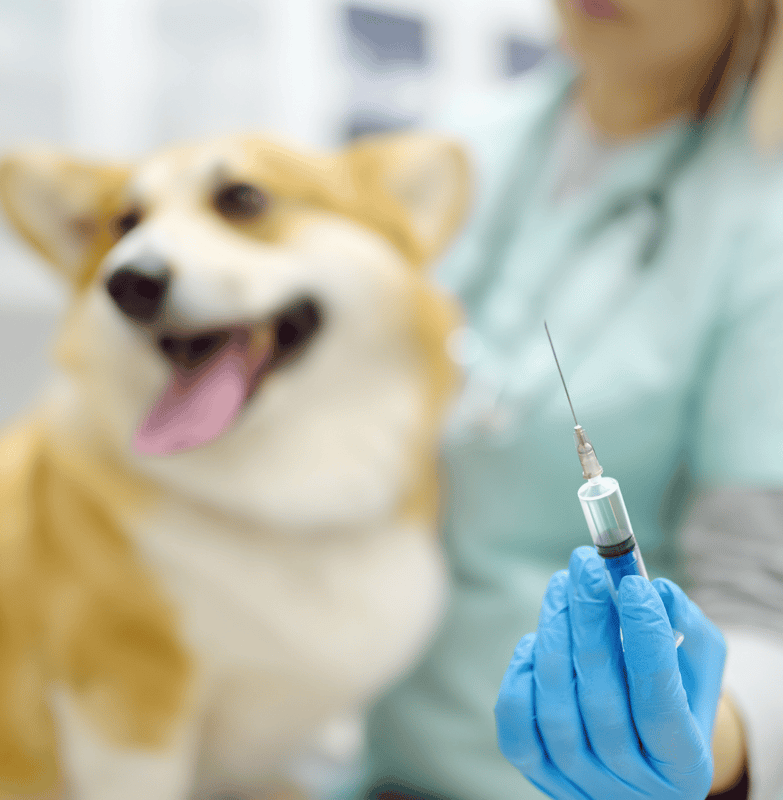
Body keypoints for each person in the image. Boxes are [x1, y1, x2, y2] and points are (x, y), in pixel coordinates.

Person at [335, 1, 783, 799]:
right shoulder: (459, 144)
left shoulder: (762, 214)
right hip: (382, 765)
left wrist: (702, 734)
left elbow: (759, 585)